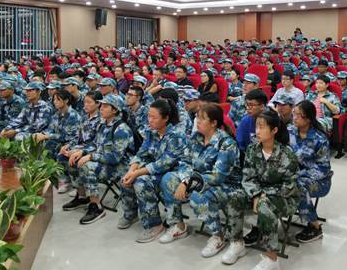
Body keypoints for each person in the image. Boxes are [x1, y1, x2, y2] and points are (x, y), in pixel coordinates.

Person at [222, 110, 299, 270]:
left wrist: (264, 195)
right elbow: (248, 177)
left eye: (262, 127)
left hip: (285, 198)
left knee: (265, 205)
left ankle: (272, 258)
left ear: (274, 130)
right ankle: (237, 243)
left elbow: (289, 186)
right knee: (234, 197)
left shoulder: (287, 154)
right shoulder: (252, 149)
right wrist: (256, 194)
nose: (257, 131)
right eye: (257, 126)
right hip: (258, 193)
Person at [158, 103, 241, 253]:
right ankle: (178, 226)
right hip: (197, 180)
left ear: (213, 123)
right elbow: (185, 161)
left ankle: (218, 236)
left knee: (197, 196)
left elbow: (218, 176)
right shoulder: (196, 138)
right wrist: (186, 179)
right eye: (197, 117)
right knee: (168, 179)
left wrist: (189, 182)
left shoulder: (226, 143)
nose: (197, 121)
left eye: (202, 118)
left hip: (226, 185)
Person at [63, 94, 138, 225]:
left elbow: (115, 158)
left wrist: (91, 156)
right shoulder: (103, 125)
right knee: (73, 160)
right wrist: (82, 152)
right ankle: (82, 196)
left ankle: (96, 207)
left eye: (105, 106)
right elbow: (95, 144)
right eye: (101, 105)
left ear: (115, 110)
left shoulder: (121, 129)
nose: (101, 108)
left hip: (121, 166)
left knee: (86, 166)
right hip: (104, 160)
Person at [121, 99, 187, 243]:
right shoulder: (151, 132)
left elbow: (163, 164)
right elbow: (141, 154)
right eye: (148, 116)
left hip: (174, 173)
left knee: (140, 181)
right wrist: (131, 170)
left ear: (166, 118)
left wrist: (136, 173)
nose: (149, 120)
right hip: (156, 171)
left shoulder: (176, 135)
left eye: (154, 117)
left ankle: (155, 225)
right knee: (125, 176)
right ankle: (130, 213)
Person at [289, 101, 332, 243]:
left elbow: (323, 169)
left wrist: (297, 175)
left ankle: (315, 227)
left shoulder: (319, 139)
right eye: (294, 113)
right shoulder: (290, 132)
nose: (294, 117)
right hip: (294, 175)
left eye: (298, 115)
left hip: (320, 181)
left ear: (307, 119)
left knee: (298, 187)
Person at [58, 90, 102, 194]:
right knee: (62, 156)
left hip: (93, 150)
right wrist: (68, 145)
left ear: (98, 104)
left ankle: (82, 191)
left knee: (75, 158)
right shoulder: (84, 117)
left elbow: (97, 143)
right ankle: (77, 188)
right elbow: (78, 137)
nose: (85, 105)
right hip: (81, 147)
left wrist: (79, 150)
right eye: (85, 102)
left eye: (89, 102)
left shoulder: (101, 120)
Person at [33, 89, 82, 162]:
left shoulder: (73, 116)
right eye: (54, 99)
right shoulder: (57, 114)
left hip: (71, 144)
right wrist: (41, 134)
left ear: (66, 101)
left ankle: (47, 166)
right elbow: (50, 129)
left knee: (50, 144)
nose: (55, 102)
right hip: (59, 141)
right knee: (39, 140)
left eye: (58, 99)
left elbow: (66, 136)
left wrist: (46, 136)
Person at [236, 89, 268, 153]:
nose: (248, 108)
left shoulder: (272, 121)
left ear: (262, 106)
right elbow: (241, 144)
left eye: (251, 105)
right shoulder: (245, 121)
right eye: (247, 105)